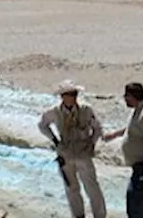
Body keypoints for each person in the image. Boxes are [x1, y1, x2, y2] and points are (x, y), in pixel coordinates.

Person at [38, 80, 107, 218]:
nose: (73, 96)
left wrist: (91, 144)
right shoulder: (55, 111)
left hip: (83, 153)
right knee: (71, 188)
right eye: (69, 94)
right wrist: (55, 141)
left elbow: (97, 128)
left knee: (92, 187)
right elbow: (42, 125)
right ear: (63, 97)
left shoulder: (86, 110)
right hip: (65, 154)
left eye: (74, 94)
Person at [103, 81, 143, 218]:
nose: (125, 99)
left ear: (133, 96)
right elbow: (135, 128)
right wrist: (115, 135)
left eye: (126, 96)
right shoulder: (139, 111)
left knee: (136, 205)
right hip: (140, 166)